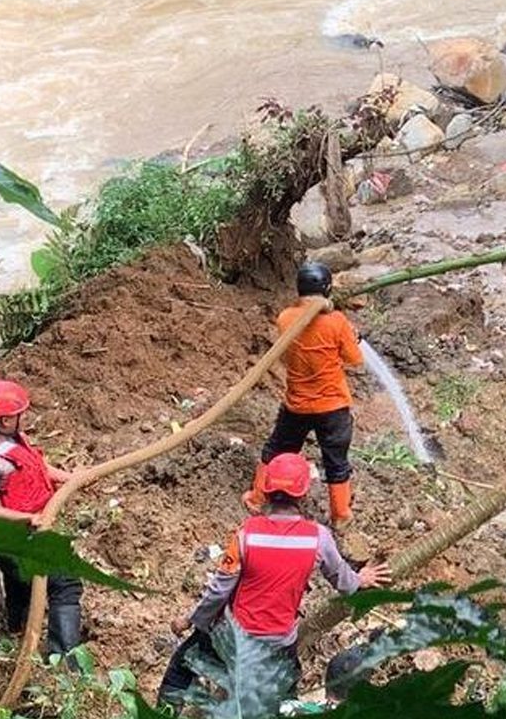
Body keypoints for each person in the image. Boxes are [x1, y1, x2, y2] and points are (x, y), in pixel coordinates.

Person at [159, 453, 392, 706]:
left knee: (179, 673)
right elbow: (344, 583)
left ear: (266, 491)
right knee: (283, 702)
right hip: (278, 644)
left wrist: (191, 620)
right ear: (303, 494)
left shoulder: (246, 534)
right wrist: (360, 579)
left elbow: (219, 590)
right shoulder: (318, 538)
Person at [0, 378, 86, 656]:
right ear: (5, 420)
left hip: (24, 531)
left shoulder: (10, 440)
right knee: (65, 584)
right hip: (6, 539)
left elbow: (36, 466)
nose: (24, 418)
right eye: (20, 414)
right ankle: (66, 660)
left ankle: (16, 625)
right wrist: (28, 519)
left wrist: (74, 479)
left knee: (20, 580)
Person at [244, 262, 365, 524]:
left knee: (276, 450)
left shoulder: (285, 318)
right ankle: (341, 515)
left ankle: (257, 498)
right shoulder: (336, 321)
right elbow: (354, 359)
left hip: (296, 405)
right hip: (333, 408)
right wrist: (351, 337)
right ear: (327, 289)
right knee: (336, 462)